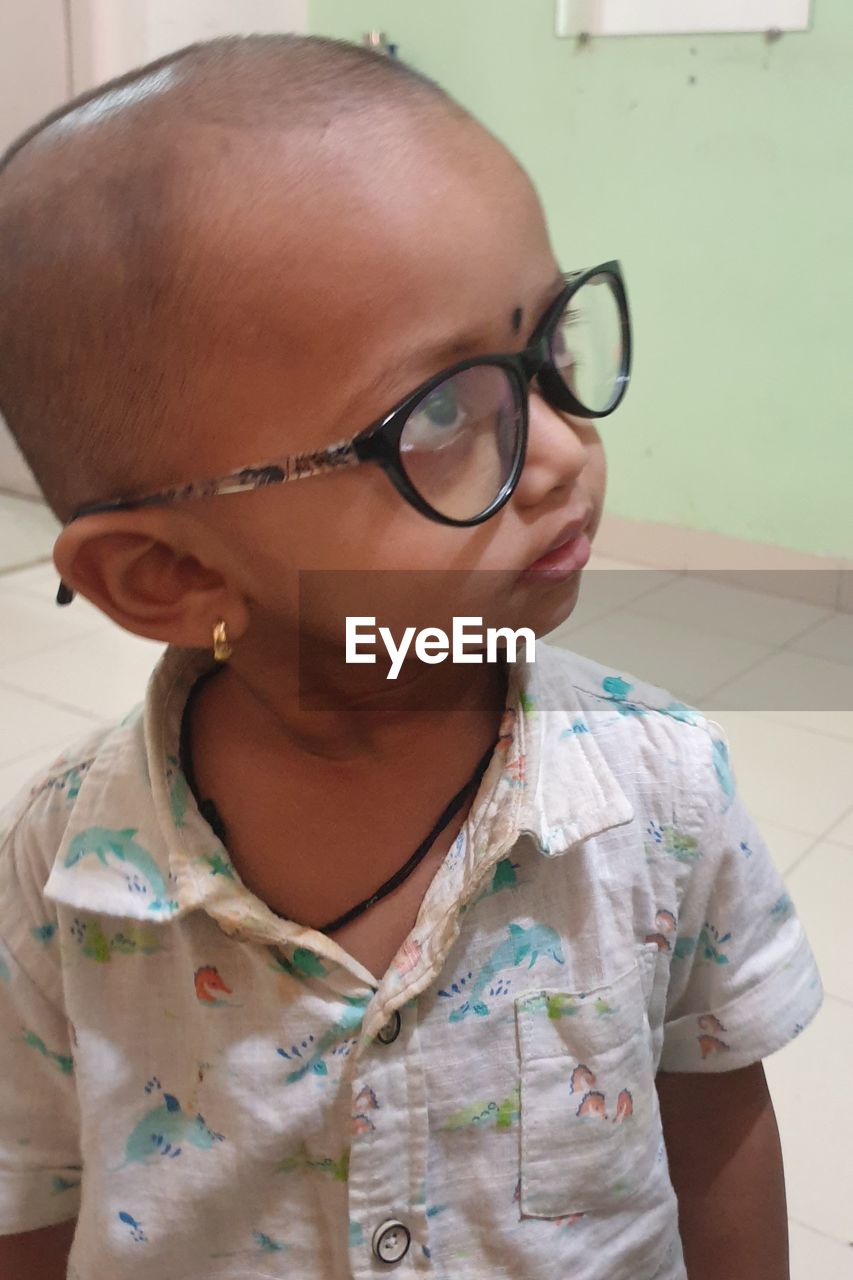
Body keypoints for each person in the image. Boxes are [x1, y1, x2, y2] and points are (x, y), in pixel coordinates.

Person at [0, 33, 822, 1280]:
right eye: (438, 412)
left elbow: (713, 1126)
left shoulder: (659, 794)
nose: (558, 451)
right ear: (174, 576)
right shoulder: (65, 872)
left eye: (546, 348)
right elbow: (34, 1191)